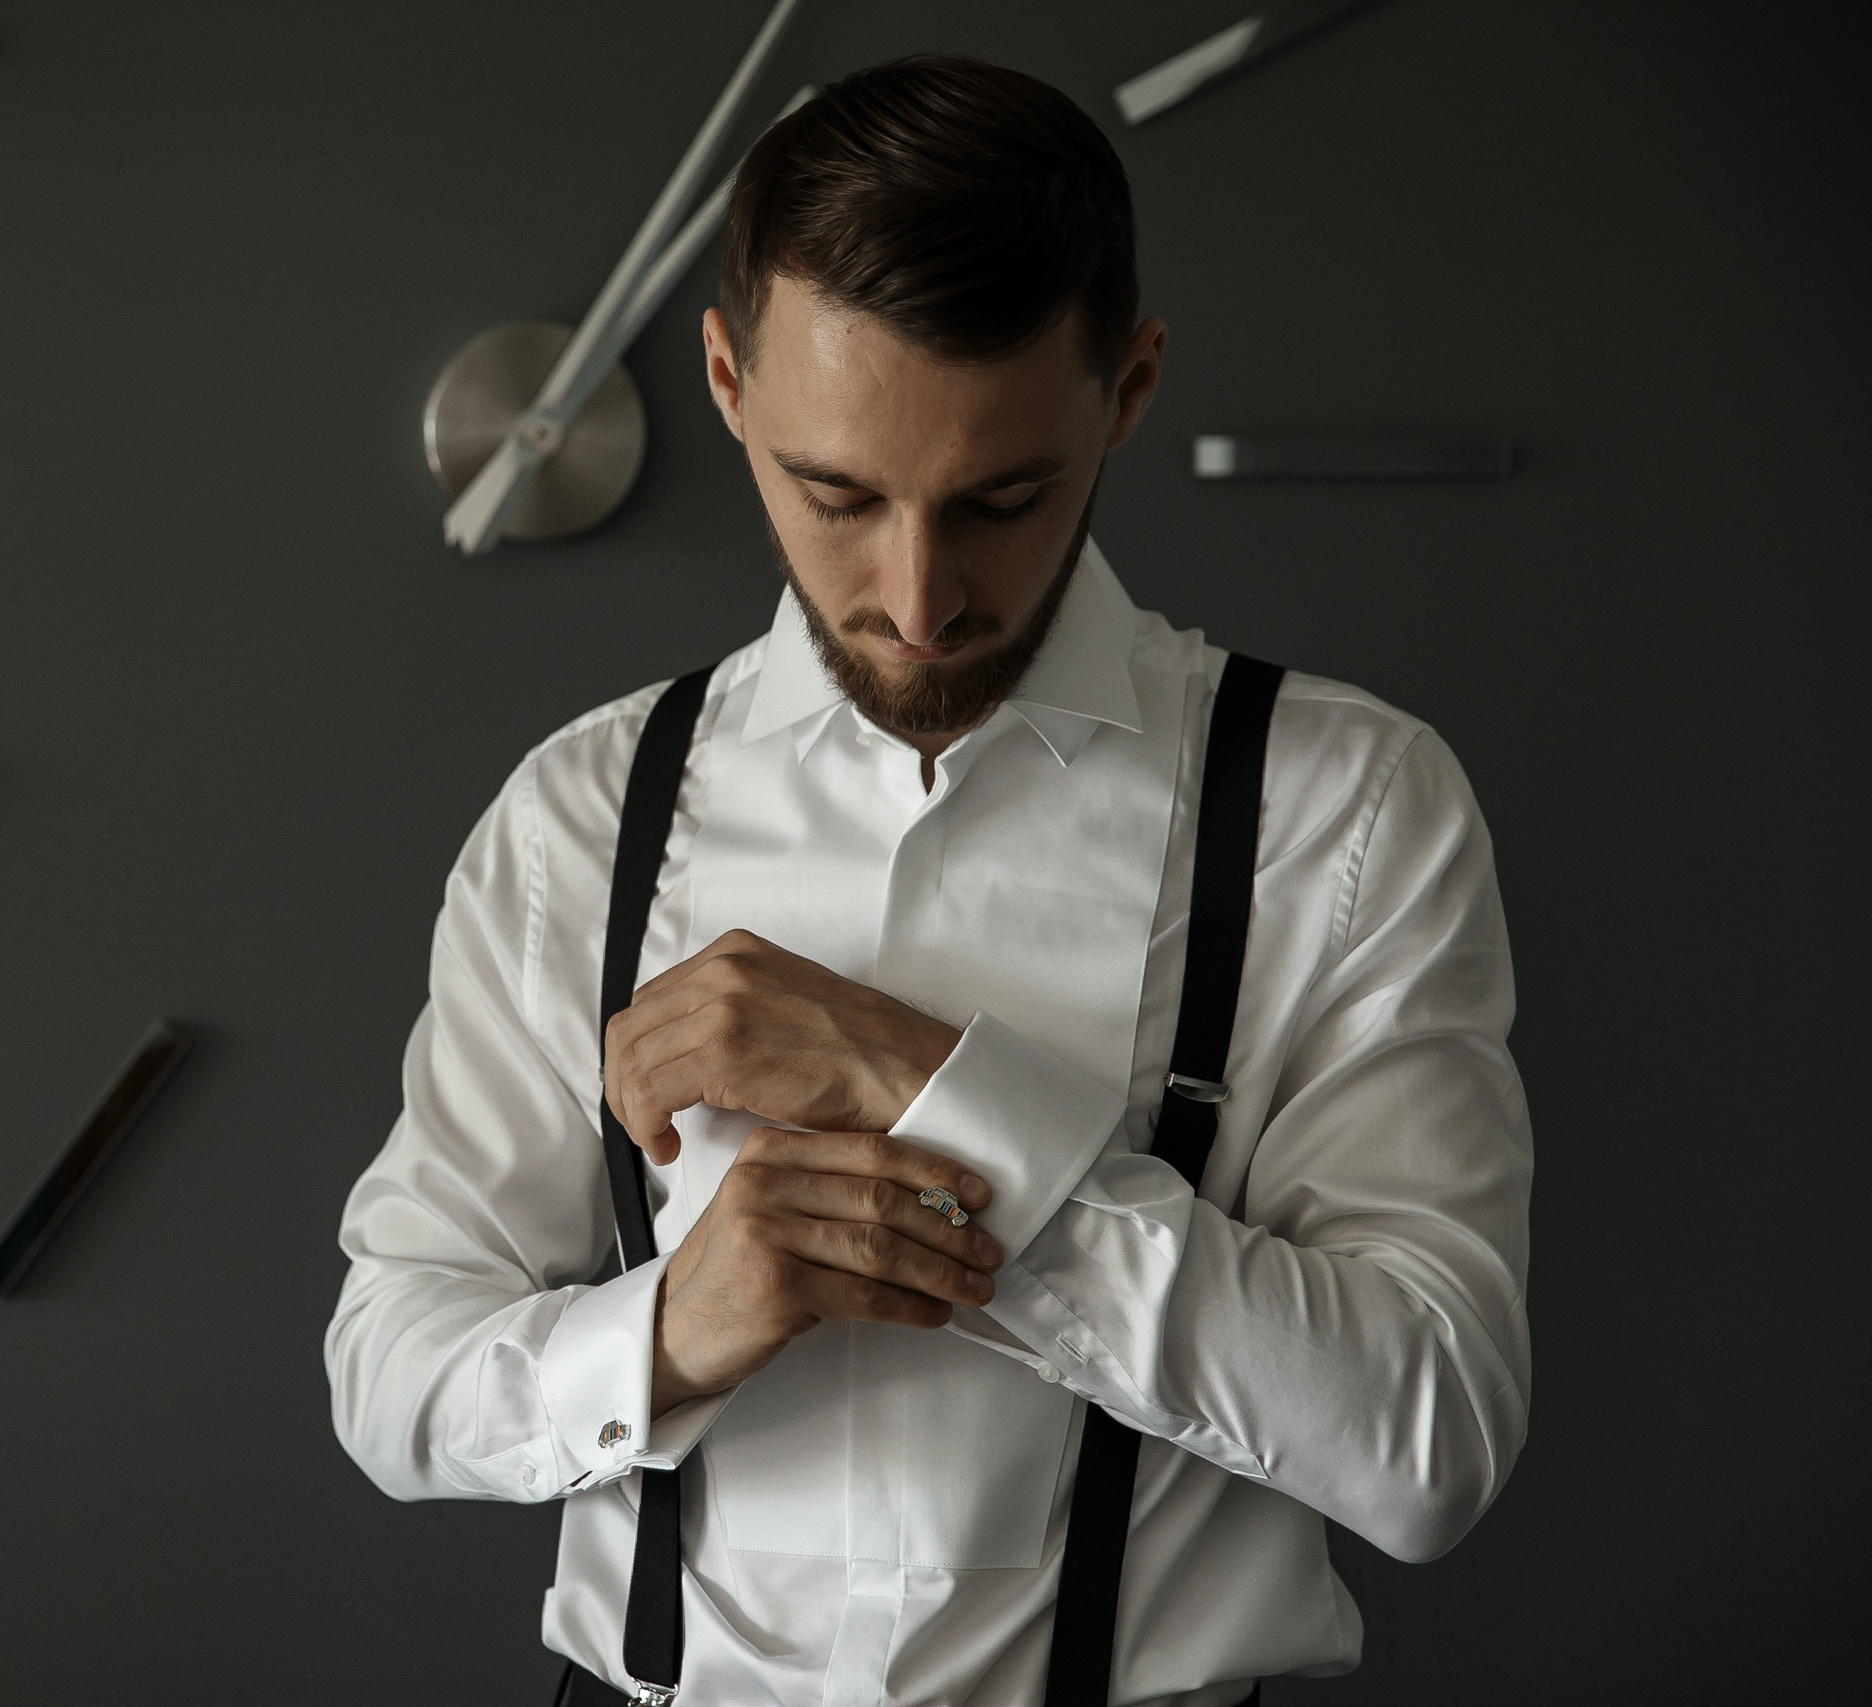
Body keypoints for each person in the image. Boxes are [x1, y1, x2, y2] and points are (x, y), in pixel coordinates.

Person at [325, 54, 1530, 1707]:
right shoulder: (583, 816)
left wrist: (919, 1084)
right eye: (836, 494)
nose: (916, 599)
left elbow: (1430, 1440)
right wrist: (668, 1332)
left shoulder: (1349, 810)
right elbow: (391, 1375)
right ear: (728, 381)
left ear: (1128, 388)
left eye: (1002, 499)